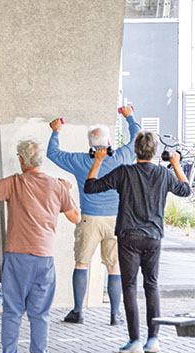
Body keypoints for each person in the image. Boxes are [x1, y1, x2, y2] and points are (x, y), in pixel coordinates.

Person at [0, 140, 81, 353]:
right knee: (40, 314)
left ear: (21, 160)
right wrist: (67, 191)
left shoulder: (14, 182)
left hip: (17, 257)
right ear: (40, 160)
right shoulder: (57, 185)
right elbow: (75, 217)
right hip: (44, 258)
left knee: (12, 312)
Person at [84, 133, 191, 353]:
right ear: (154, 152)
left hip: (129, 237)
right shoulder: (163, 174)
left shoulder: (124, 172)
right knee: (151, 285)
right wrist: (175, 163)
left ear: (135, 150)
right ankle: (153, 340)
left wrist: (98, 160)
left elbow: (91, 187)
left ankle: (134, 341)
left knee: (130, 287)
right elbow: (185, 189)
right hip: (153, 237)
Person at [47, 107, 140, 325]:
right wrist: (129, 116)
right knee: (114, 266)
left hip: (89, 219)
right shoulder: (121, 157)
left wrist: (56, 131)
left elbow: (53, 153)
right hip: (116, 220)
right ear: (108, 143)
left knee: (82, 264)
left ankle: (78, 312)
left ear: (90, 145)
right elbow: (136, 137)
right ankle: (115, 315)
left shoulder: (80, 160)